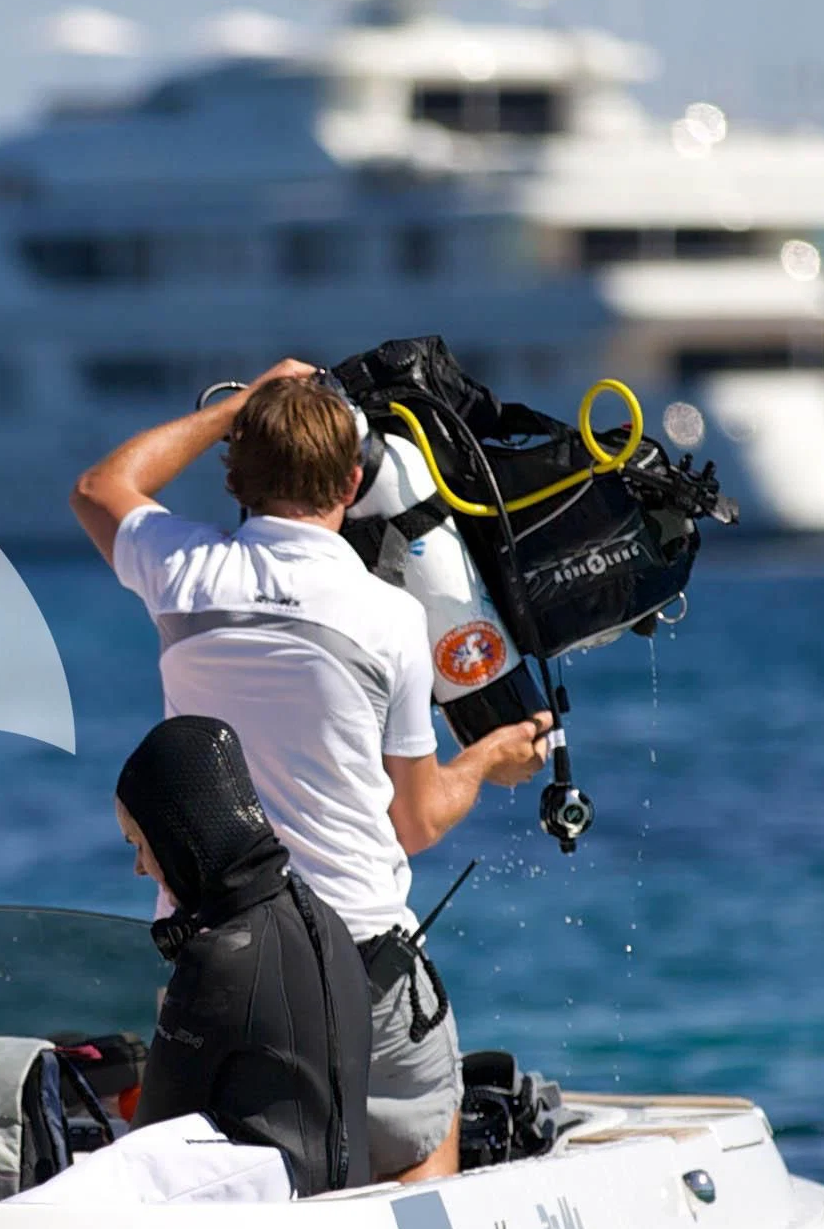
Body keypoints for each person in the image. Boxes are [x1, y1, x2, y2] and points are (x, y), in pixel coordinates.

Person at [72, 366, 545, 1183]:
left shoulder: (182, 570)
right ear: (352, 484)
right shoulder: (389, 615)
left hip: (220, 960)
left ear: (233, 477)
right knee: (418, 1153)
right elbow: (415, 822)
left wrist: (236, 404)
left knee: (230, 1182)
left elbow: (99, 487)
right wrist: (484, 759)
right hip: (360, 953)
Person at [115, 714, 371, 1195]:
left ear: (175, 840)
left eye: (139, 844)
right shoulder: (327, 923)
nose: (138, 868)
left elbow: (146, 1146)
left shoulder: (220, 958)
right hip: (345, 1210)